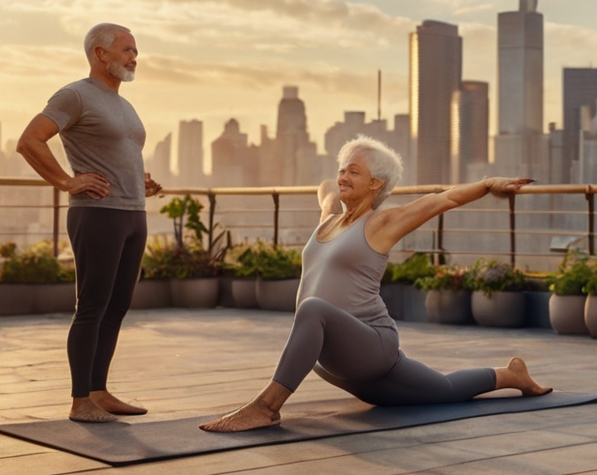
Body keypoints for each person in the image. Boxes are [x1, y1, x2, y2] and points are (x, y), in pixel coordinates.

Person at [201, 136, 551, 432]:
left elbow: (443, 199)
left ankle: (266, 407)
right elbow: (325, 191)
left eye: (354, 172)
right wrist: (335, 185)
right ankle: (510, 375)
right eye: (341, 169)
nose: (343, 176)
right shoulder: (328, 222)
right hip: (337, 364)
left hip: (373, 348)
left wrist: (488, 185)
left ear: (376, 185)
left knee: (313, 309)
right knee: (443, 389)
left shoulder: (383, 223)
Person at [16, 23, 163, 423]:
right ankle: (80, 400)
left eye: (136, 51)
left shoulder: (124, 105)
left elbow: (118, 153)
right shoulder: (75, 95)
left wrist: (141, 181)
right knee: (92, 307)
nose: (135, 57)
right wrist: (66, 180)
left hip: (132, 213)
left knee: (118, 306)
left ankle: (99, 391)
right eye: (128, 50)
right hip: (97, 214)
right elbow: (30, 140)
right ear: (101, 53)